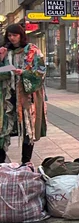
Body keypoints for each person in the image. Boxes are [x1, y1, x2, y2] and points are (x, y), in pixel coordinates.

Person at [0, 24, 45, 164]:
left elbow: (41, 71)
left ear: (21, 35)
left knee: (28, 127)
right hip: (7, 95)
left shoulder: (32, 50)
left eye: (15, 35)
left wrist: (24, 73)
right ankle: (1, 162)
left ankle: (26, 162)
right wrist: (1, 59)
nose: (12, 38)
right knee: (3, 127)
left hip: (27, 95)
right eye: (9, 35)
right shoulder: (5, 51)